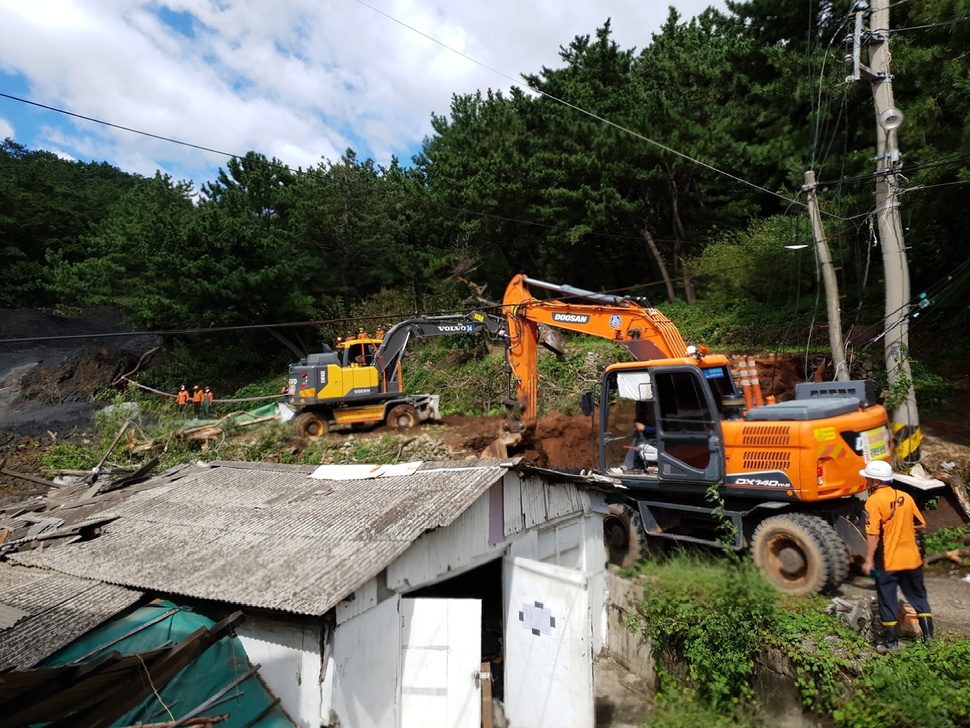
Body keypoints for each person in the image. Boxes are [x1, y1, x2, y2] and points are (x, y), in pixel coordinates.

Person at [860, 460, 934, 652]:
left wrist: (868, 560)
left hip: (888, 559)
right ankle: (929, 639)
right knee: (917, 595)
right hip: (911, 556)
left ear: (876, 482)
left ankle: (891, 642)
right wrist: (902, 529)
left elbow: (873, 534)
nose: (866, 481)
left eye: (868, 478)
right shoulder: (905, 496)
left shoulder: (874, 501)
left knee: (887, 596)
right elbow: (921, 523)